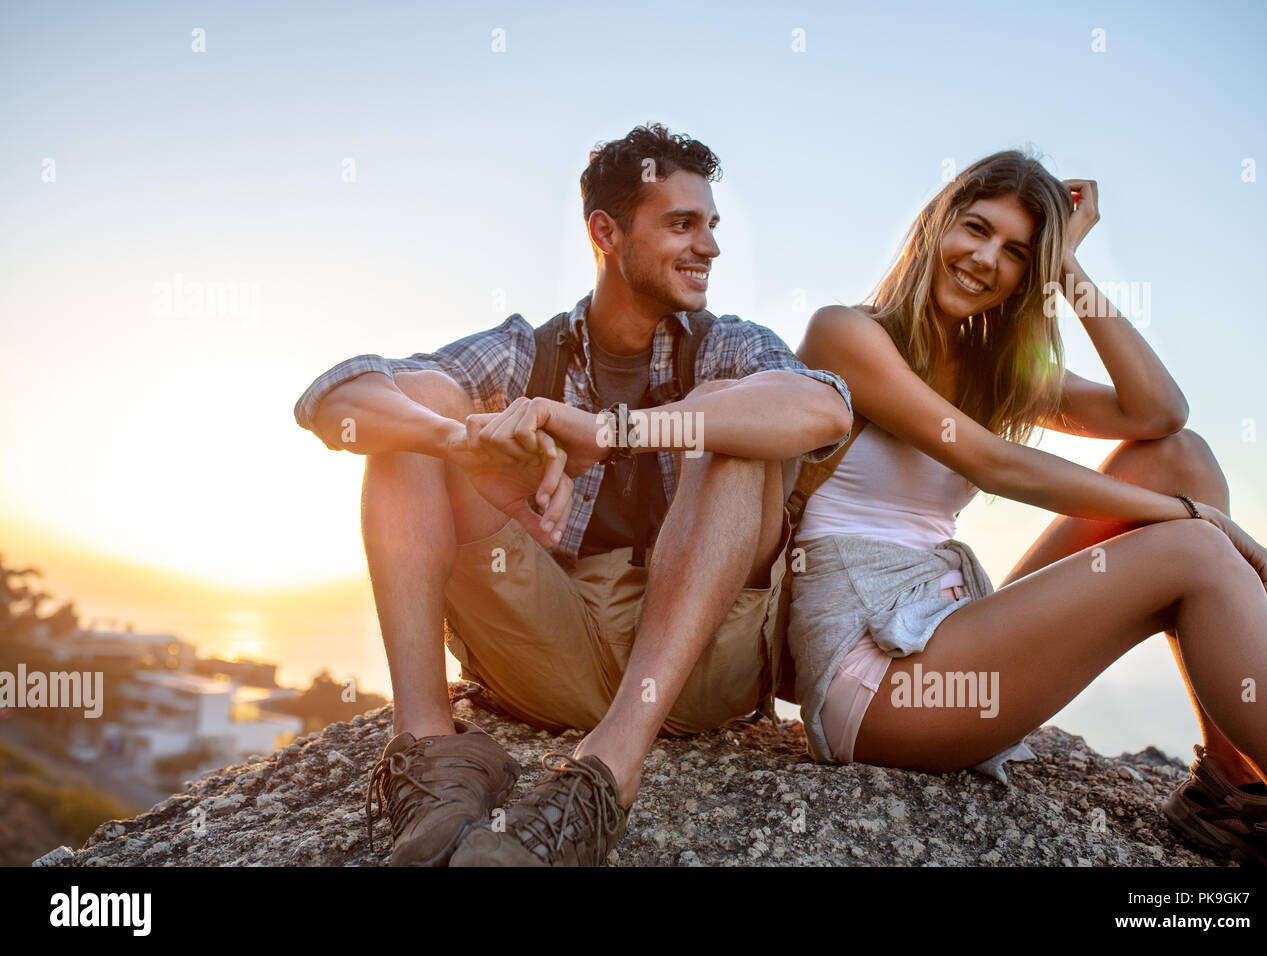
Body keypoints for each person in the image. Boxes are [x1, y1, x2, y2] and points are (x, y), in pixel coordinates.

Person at [292, 123, 853, 866]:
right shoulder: (530, 350)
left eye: (711, 225)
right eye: (681, 224)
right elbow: (338, 400)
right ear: (605, 232)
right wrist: (460, 440)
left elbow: (823, 408)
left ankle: (605, 775)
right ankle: (428, 749)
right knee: (410, 435)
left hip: (701, 665)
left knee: (731, 420)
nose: (709, 247)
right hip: (549, 653)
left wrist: (615, 430)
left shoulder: (726, 343)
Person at [787, 150, 1267, 865]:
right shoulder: (847, 333)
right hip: (878, 680)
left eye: (1018, 253)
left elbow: (1158, 412)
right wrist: (1188, 516)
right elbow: (991, 463)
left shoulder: (994, 370)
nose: (986, 258)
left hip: (946, 625)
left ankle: (1233, 788)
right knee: (1192, 546)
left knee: (1183, 456)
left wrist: (1069, 268)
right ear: (936, 225)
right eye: (975, 228)